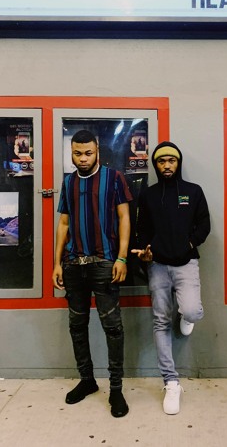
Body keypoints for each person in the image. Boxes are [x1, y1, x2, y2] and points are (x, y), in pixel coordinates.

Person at [52, 129, 132, 418]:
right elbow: (64, 223)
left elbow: (124, 217)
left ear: (97, 150)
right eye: (77, 153)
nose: (83, 158)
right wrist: (57, 263)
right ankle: (87, 380)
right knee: (77, 325)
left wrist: (121, 257)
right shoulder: (68, 182)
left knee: (113, 328)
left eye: (88, 153)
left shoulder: (114, 178)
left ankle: (116, 389)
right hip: (74, 265)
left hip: (104, 264)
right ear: (71, 153)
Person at [132, 141, 210, 415]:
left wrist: (189, 244)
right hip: (158, 266)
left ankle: (186, 317)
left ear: (178, 163)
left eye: (171, 160)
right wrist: (145, 251)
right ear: (156, 164)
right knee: (161, 321)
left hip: (186, 263)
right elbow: (141, 229)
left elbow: (204, 225)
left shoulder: (193, 191)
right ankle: (171, 382)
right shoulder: (148, 194)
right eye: (162, 161)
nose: (167, 165)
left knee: (192, 310)